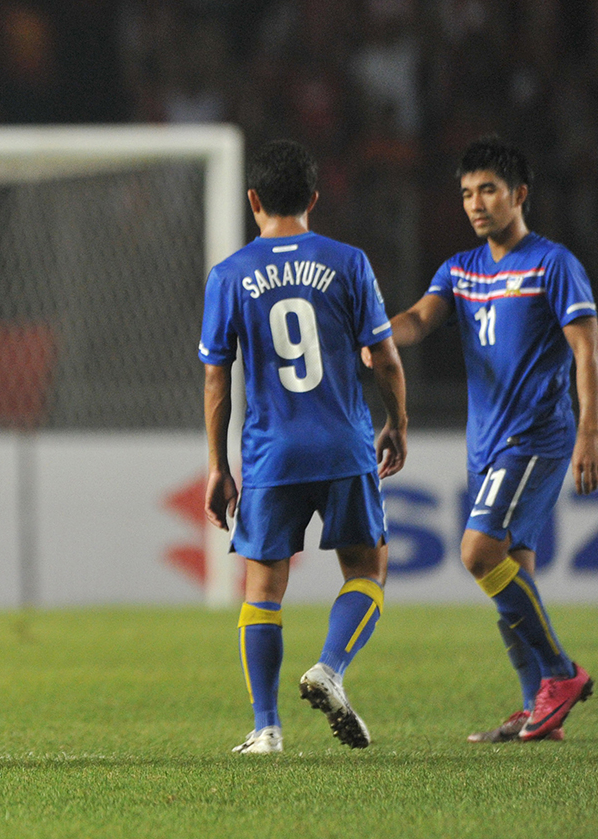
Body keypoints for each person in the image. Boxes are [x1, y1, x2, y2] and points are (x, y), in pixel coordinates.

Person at [375, 135, 598, 743]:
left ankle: (562, 674)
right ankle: (536, 710)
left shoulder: (553, 264)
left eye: (488, 191)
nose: (475, 203)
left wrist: (589, 431)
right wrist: (378, 335)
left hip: (535, 436)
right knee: (511, 574)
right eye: (467, 193)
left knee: (478, 553)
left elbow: (587, 350)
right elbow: (419, 319)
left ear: (519, 194)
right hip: (487, 444)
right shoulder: (461, 269)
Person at [200, 140, 408, 754]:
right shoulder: (348, 262)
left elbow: (216, 378)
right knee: (367, 570)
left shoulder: (229, 274)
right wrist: (397, 422)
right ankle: (330, 668)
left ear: (253, 200)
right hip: (344, 444)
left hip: (273, 453)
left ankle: (266, 728)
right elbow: (385, 357)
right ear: (314, 198)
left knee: (263, 588)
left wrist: (217, 466)